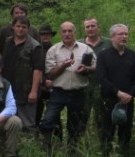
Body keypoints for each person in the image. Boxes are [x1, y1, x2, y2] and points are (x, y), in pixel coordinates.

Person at [39, 21, 95, 155]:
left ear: (75, 32)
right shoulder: (54, 50)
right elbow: (50, 74)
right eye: (64, 31)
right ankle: (48, 149)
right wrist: (63, 66)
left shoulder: (85, 49)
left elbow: (96, 66)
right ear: (60, 33)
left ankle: (72, 151)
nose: (67, 34)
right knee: (48, 120)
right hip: (58, 92)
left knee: (75, 126)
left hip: (78, 92)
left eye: (70, 31)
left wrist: (86, 68)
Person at [95, 24, 135, 157]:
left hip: (127, 101)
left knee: (126, 133)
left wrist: (130, 94)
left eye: (126, 34)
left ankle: (124, 154)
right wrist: (118, 92)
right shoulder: (104, 56)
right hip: (109, 100)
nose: (124, 37)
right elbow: (101, 78)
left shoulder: (132, 55)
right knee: (107, 132)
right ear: (112, 36)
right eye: (121, 34)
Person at [1, 16, 43, 129]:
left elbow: (38, 70)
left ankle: (29, 145)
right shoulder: (7, 42)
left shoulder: (35, 46)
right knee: (9, 121)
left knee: (27, 123)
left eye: (24, 27)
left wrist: (34, 91)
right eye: (18, 26)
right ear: (13, 27)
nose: (20, 29)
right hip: (8, 87)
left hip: (26, 90)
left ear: (28, 29)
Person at [77, 18, 112, 134]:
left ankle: (104, 145)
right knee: (81, 118)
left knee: (101, 118)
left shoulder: (109, 43)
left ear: (98, 27)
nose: (90, 29)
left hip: (102, 86)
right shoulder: (79, 44)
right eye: (87, 27)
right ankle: (77, 145)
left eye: (93, 26)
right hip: (83, 86)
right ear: (84, 29)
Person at [37, 24, 61, 139]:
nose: (45, 36)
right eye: (43, 34)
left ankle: (58, 138)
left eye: (48, 34)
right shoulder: (35, 48)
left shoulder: (56, 49)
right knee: (37, 113)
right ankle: (36, 137)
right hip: (38, 86)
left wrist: (51, 80)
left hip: (53, 86)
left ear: (51, 35)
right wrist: (43, 80)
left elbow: (59, 67)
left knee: (55, 115)